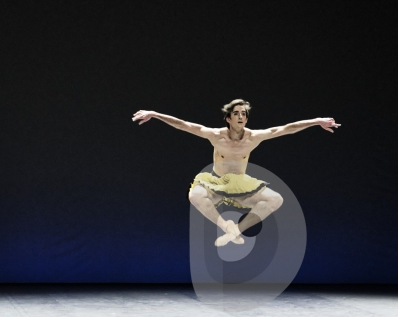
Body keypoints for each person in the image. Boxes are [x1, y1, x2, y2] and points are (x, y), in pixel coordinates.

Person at [132, 99, 340, 246]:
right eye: (236, 113)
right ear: (228, 118)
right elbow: (185, 125)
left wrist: (316, 121)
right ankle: (226, 226)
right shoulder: (216, 136)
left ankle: (236, 231)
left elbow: (286, 128)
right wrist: (155, 115)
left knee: (276, 199)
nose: (241, 117)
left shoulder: (254, 137)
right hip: (217, 184)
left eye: (244, 114)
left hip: (241, 185)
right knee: (195, 195)